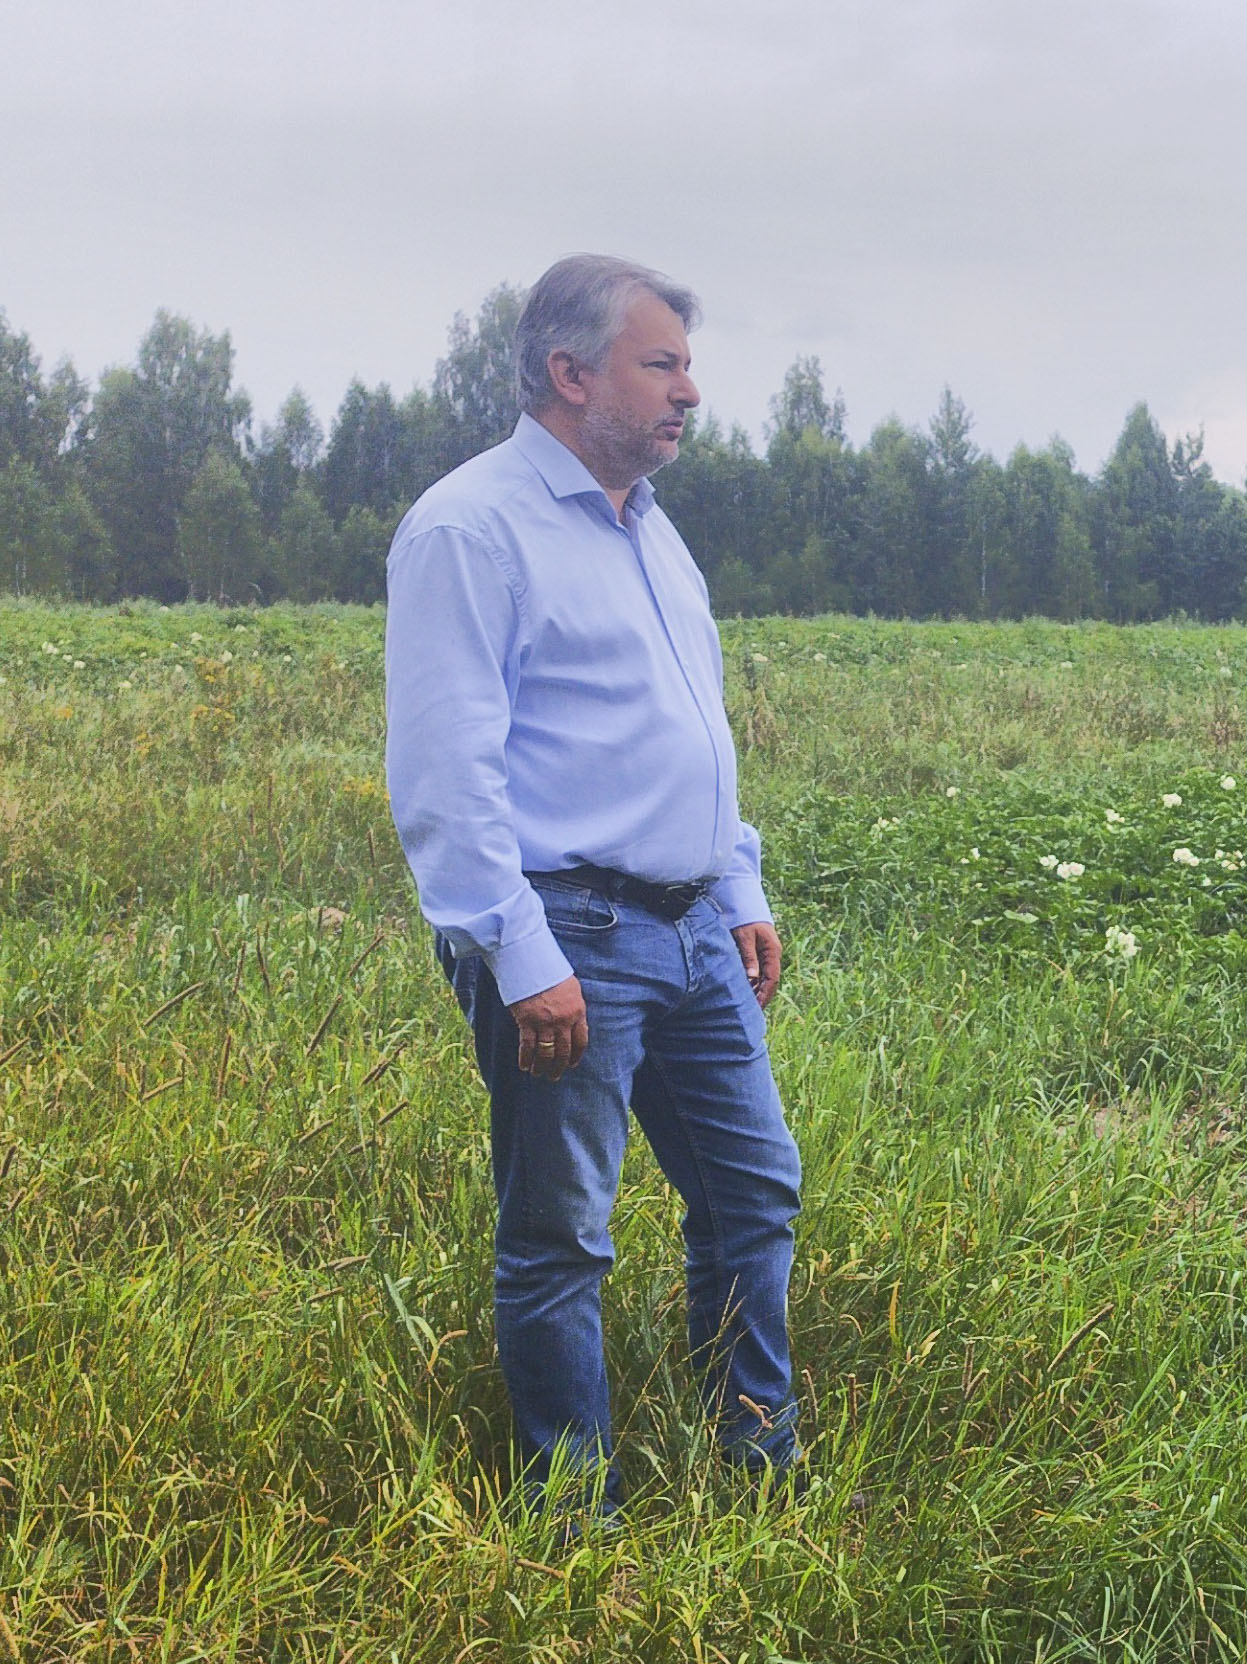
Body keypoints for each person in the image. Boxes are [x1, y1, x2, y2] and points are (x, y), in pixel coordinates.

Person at [385, 254, 804, 1512]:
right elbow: (448, 774)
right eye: (660, 362)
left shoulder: (652, 532)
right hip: (566, 930)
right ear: (571, 373)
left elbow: (693, 728)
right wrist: (523, 959)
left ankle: (753, 1460)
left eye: (686, 364)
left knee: (753, 1189)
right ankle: (574, 1514)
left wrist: (739, 882)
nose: (690, 391)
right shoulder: (472, 527)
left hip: (691, 935)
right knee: (562, 1235)